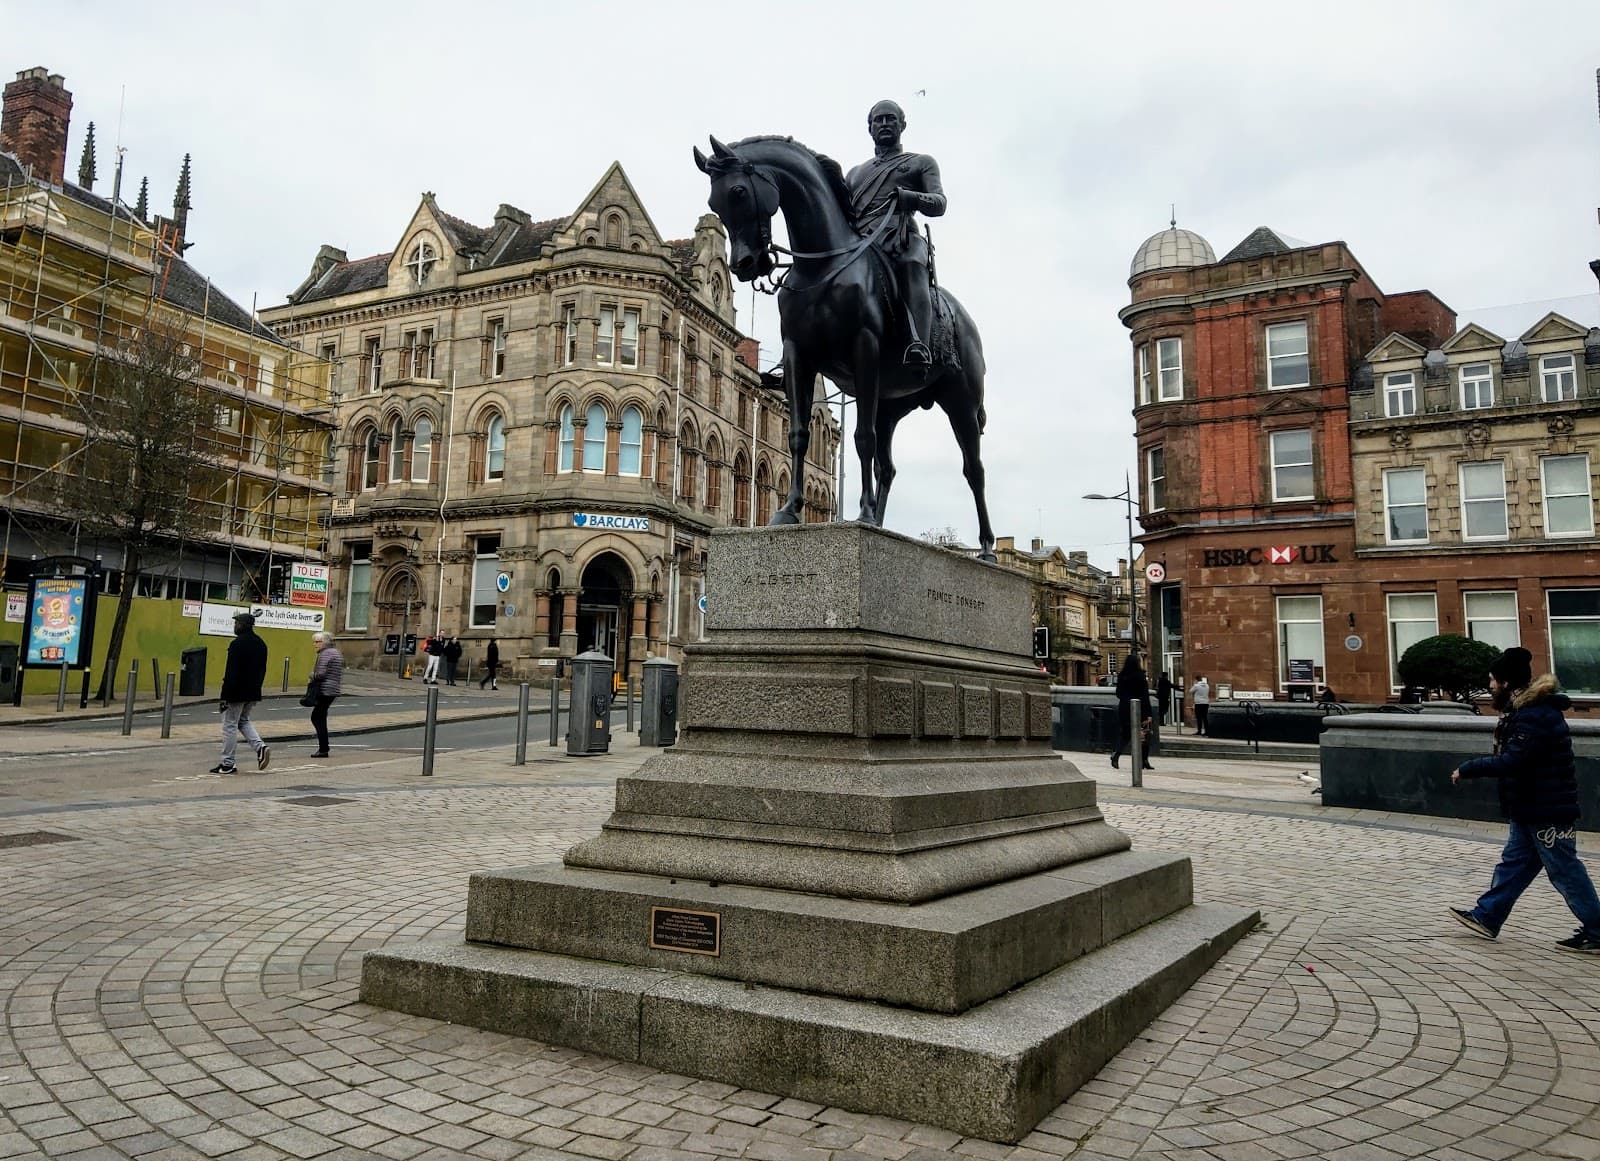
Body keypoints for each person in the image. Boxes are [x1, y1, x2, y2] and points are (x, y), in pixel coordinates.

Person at [1449, 647, 1600, 954]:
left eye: (1492, 680)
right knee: (1515, 864)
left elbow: (1514, 760)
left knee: (1565, 870)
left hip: (1546, 808)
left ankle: (1598, 930)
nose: (1490, 686)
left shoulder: (1534, 715)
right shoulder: (1528, 711)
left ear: (1506, 683)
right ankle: (1487, 916)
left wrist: (1468, 768)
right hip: (1531, 806)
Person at [845, 99, 945, 374]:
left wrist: (910, 198)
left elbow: (939, 203)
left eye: (891, 119)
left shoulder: (920, 163)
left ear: (902, 125)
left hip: (900, 238)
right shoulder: (855, 173)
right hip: (861, 244)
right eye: (879, 120)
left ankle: (918, 343)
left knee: (913, 266)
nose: (885, 124)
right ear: (870, 128)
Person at [213, 612, 270, 775]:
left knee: (229, 725)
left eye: (236, 624)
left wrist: (225, 696)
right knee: (243, 721)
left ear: (243, 625)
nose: (234, 626)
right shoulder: (261, 644)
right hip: (253, 691)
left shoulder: (237, 644)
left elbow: (231, 671)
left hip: (236, 692)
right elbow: (262, 669)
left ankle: (228, 763)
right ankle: (260, 748)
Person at [1109, 654, 1153, 771]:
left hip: (1124, 708)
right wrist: (1148, 714)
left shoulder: (1122, 676)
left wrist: (1126, 700)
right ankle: (1144, 760)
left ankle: (1116, 754)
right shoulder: (1140, 676)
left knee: (1125, 734)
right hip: (1139, 708)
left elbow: (1118, 693)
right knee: (1144, 734)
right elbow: (1145, 695)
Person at [307, 632, 344, 758]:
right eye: (314, 642)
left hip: (325, 689)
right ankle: (324, 747)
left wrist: (312, 675)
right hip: (333, 689)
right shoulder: (335, 652)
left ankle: (323, 748)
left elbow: (321, 674)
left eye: (317, 642)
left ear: (325, 642)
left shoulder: (325, 654)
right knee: (320, 716)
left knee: (317, 717)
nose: (315, 644)